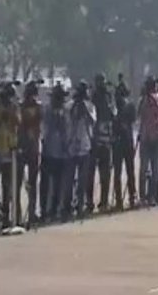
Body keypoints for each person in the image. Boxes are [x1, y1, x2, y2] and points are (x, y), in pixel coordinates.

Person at [0, 81, 20, 228]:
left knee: (8, 188)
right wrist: (0, 113)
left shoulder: (14, 108)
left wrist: (11, 113)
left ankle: (7, 217)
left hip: (9, 152)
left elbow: (18, 123)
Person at [66, 81, 95, 217]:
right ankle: (68, 205)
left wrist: (84, 107)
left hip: (85, 145)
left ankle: (80, 205)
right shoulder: (70, 105)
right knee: (70, 179)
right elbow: (68, 118)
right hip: (71, 146)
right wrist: (76, 106)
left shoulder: (89, 106)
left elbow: (92, 121)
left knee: (83, 180)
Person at [41, 83, 69, 220]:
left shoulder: (66, 112)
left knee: (59, 184)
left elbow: (67, 131)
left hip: (62, 153)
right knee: (47, 184)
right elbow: (46, 130)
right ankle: (45, 210)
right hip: (49, 152)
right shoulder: (48, 111)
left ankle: (57, 209)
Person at [87, 74, 115, 212]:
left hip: (105, 139)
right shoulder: (94, 98)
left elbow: (112, 115)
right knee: (92, 173)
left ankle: (102, 202)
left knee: (104, 173)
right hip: (95, 140)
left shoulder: (107, 97)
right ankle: (90, 202)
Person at [17, 80, 43, 224]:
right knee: (19, 183)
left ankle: (32, 213)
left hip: (33, 148)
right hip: (23, 148)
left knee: (32, 183)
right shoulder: (21, 108)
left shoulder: (37, 108)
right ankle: (19, 215)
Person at [138, 76, 158, 205]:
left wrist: (153, 100)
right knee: (143, 168)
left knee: (155, 169)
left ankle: (152, 196)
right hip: (144, 137)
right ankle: (142, 196)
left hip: (156, 137)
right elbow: (140, 114)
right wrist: (145, 100)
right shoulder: (143, 100)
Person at [112, 75, 137, 209]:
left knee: (124, 171)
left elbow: (131, 120)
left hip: (123, 141)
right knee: (124, 171)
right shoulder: (124, 106)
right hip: (123, 141)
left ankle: (126, 198)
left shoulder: (125, 106)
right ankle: (123, 199)